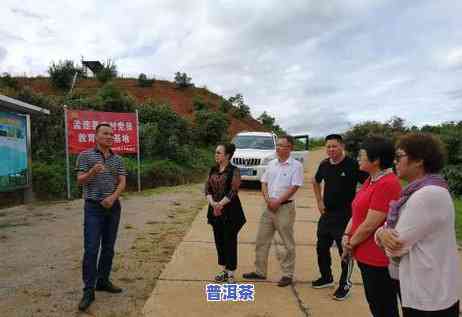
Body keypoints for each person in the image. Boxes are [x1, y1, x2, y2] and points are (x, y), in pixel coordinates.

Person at [375, 133, 460, 316]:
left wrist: (381, 235)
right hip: (434, 291)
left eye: (399, 157)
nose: (394, 162)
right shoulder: (430, 190)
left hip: (427, 297)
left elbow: (396, 247)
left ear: (419, 161)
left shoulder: (424, 195)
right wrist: (383, 234)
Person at [342, 136, 401, 317]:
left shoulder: (388, 183)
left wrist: (350, 244)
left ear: (375, 160)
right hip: (365, 253)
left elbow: (370, 224)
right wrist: (347, 234)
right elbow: (357, 211)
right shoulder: (372, 180)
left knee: (383, 306)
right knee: (376, 303)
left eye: (362, 156)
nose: (358, 159)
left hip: (378, 258)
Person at [75, 123, 127, 312]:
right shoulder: (85, 156)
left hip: (113, 208)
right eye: (105, 133)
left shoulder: (117, 159)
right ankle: (88, 290)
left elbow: (122, 182)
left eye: (112, 134)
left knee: (108, 248)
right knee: (91, 249)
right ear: (95, 136)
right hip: (93, 208)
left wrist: (113, 198)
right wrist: (92, 172)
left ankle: (103, 280)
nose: (109, 137)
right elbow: (80, 180)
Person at [243, 135, 304, 287]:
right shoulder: (271, 164)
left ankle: (287, 274)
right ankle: (259, 271)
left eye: (282, 145)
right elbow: (263, 182)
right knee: (261, 240)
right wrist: (268, 199)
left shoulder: (296, 166)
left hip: (285, 208)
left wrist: (278, 201)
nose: (278, 148)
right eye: (277, 145)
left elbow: (294, 186)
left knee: (286, 243)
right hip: (268, 207)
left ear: (290, 148)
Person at [312, 134, 367, 300]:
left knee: (345, 252)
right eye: (328, 147)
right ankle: (326, 277)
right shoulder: (324, 164)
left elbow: (368, 183)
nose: (331, 150)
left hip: (345, 216)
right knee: (321, 247)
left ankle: (345, 284)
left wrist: (359, 204)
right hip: (327, 214)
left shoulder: (352, 164)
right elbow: (315, 181)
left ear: (342, 146)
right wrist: (319, 201)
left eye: (334, 146)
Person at [205, 143, 246, 283]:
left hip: (230, 211)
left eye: (218, 152)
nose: (215, 155)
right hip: (215, 210)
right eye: (215, 152)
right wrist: (213, 203)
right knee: (219, 241)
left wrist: (220, 204)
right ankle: (223, 270)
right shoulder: (213, 169)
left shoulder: (234, 171)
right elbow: (207, 189)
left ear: (227, 155)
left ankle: (231, 274)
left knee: (230, 240)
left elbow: (233, 191)